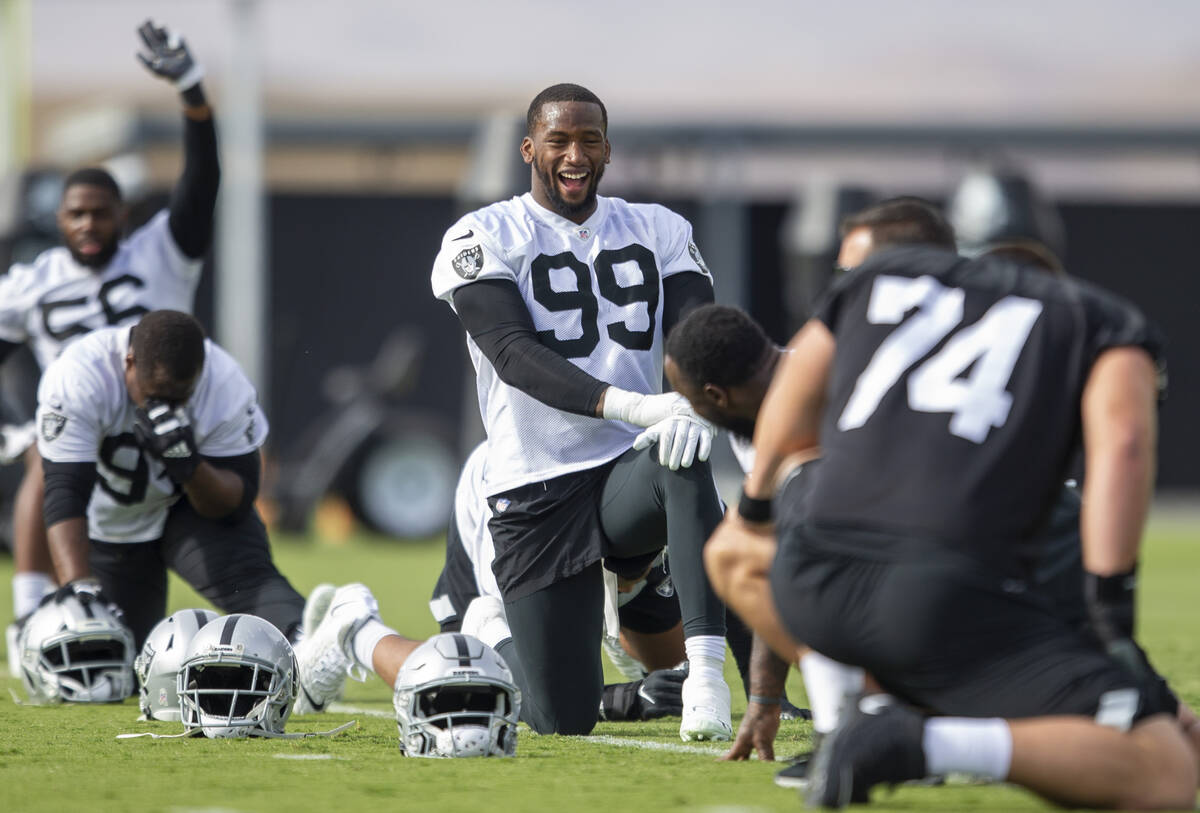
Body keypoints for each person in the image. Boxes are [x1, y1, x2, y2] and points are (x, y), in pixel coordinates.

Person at [710, 197, 1197, 807]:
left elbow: (793, 392)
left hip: (817, 578)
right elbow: (1122, 446)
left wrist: (755, 508)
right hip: (943, 591)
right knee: (1168, 774)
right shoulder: (1096, 318)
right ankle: (916, 740)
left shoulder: (874, 294)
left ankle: (867, 714)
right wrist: (1119, 625)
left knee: (732, 549)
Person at [429, 83, 730, 739]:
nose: (574, 154)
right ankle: (491, 629)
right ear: (529, 147)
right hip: (537, 481)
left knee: (683, 452)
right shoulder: (484, 233)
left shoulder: (659, 228)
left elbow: (697, 332)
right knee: (556, 718)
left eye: (588, 140)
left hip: (626, 467)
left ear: (607, 150)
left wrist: (693, 402)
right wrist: (638, 404)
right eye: (559, 139)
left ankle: (706, 680)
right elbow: (512, 352)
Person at [1, 20, 220, 668]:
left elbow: (202, 182)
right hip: (81, 426)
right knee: (48, 449)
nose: (91, 223)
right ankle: (29, 615)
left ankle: (255, 611)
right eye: (78, 213)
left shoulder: (160, 252)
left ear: (124, 214)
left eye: (103, 211)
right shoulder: (32, 283)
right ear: (58, 220)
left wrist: (190, 89)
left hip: (168, 412)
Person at [34, 310, 305, 654]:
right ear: (129, 363)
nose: (164, 405)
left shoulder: (223, 383)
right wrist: (78, 584)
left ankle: (320, 649)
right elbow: (65, 491)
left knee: (266, 599)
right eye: (155, 393)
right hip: (114, 525)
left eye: (180, 397)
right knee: (110, 657)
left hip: (188, 510)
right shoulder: (79, 376)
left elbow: (237, 501)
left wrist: (188, 465)